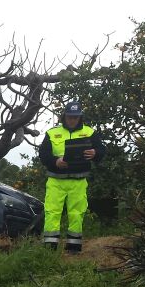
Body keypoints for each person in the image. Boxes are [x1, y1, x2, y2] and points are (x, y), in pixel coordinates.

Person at [38, 101, 105, 253]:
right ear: (64, 116)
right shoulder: (52, 133)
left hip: (79, 181)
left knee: (77, 213)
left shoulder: (90, 132)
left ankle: (74, 248)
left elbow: (101, 150)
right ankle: (49, 248)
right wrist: (55, 161)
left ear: (80, 117)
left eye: (75, 117)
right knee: (52, 212)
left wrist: (95, 153)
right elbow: (43, 154)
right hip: (56, 180)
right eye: (69, 117)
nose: (72, 120)